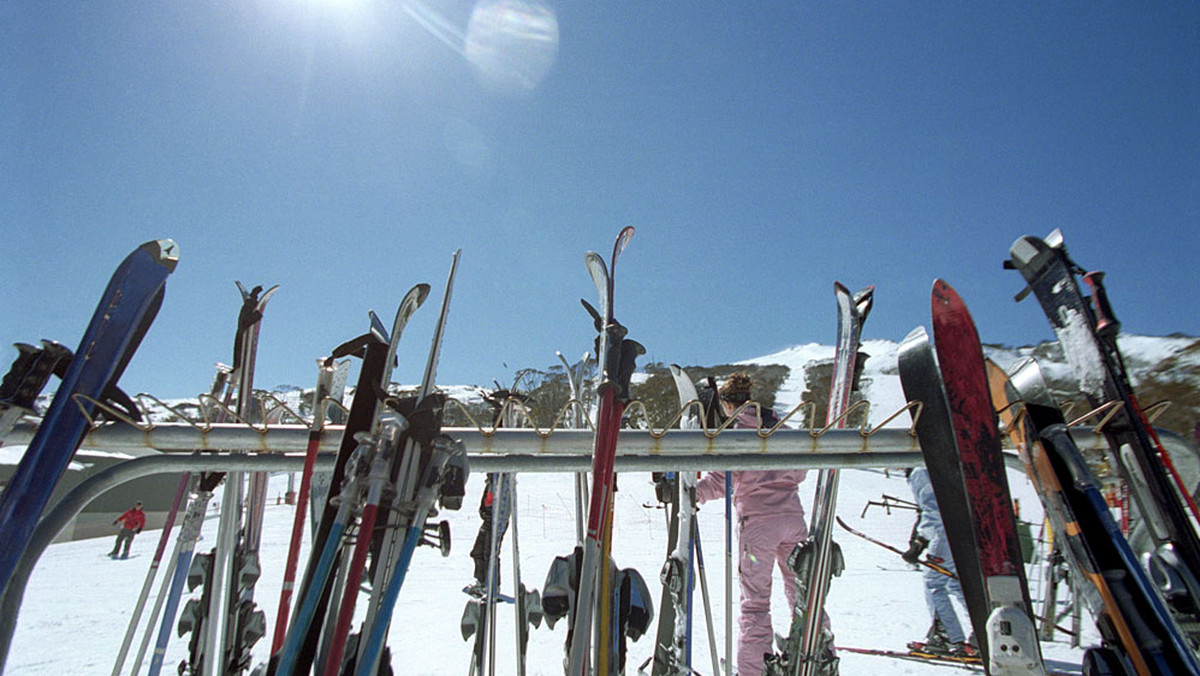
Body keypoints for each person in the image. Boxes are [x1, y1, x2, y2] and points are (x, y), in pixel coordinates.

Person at [694, 372, 813, 676]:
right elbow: (800, 468)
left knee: (755, 602)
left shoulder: (736, 431)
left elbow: (723, 479)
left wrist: (694, 493)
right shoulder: (778, 424)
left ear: (725, 403)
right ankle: (817, 655)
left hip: (758, 525)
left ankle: (754, 669)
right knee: (803, 593)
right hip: (792, 519)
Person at [903, 468, 974, 657]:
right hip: (960, 530)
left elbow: (933, 510)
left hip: (945, 533)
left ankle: (947, 636)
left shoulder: (919, 471)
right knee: (954, 583)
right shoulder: (925, 468)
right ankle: (980, 632)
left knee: (933, 583)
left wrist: (920, 542)